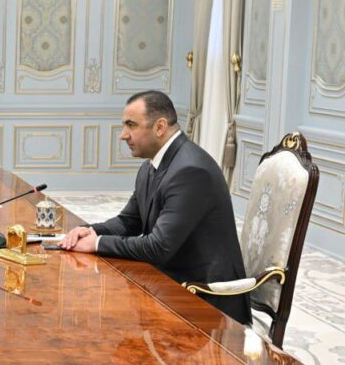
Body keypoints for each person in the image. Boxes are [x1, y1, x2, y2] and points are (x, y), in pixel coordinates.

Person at [59, 90, 250, 325]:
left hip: (206, 298)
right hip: (171, 280)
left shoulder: (190, 171)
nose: (123, 135)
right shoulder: (152, 165)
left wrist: (97, 244)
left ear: (160, 127)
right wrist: (90, 231)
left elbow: (158, 247)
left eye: (131, 125)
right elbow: (129, 221)